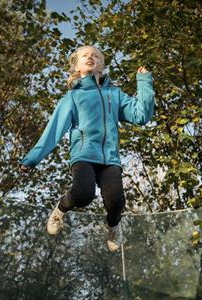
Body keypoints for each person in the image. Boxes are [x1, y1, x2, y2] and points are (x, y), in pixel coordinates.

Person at [19, 45, 155, 252]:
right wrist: (31, 159)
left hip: (110, 159)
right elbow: (54, 129)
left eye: (96, 56)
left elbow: (141, 116)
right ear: (77, 66)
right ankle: (60, 208)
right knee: (83, 194)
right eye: (85, 56)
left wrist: (144, 83)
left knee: (116, 201)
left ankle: (113, 225)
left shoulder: (114, 94)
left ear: (102, 65)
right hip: (84, 155)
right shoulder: (73, 97)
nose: (90, 57)